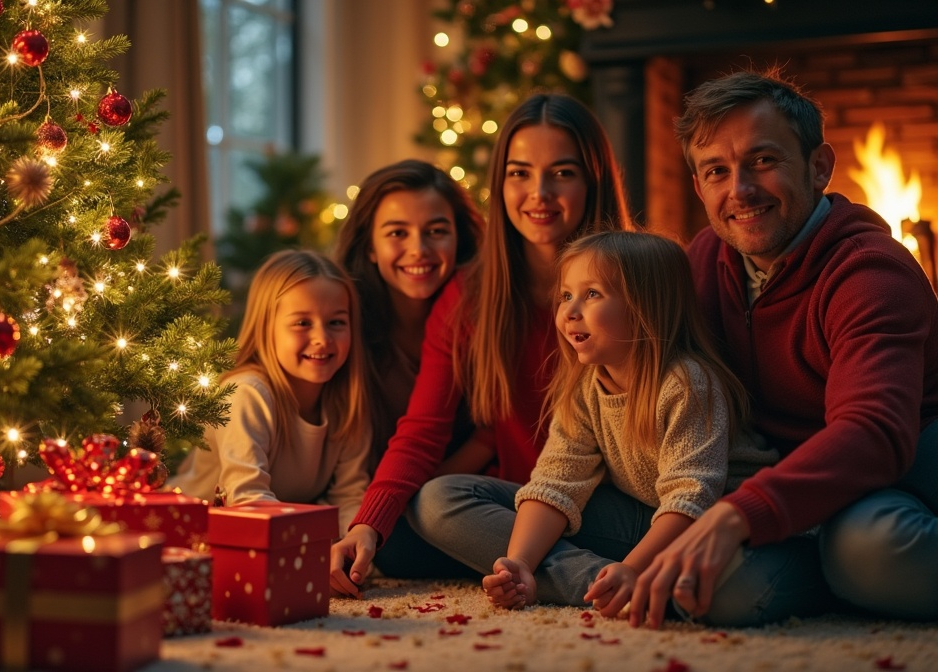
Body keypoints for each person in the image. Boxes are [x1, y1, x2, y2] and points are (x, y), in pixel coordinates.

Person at [627, 69, 938, 628]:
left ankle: (845, 571)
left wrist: (733, 518)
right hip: (780, 486)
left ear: (818, 167)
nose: (739, 190)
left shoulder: (870, 271)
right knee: (706, 585)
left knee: (867, 549)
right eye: (717, 171)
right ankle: (829, 572)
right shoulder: (703, 262)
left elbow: (874, 434)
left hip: (897, 475)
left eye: (763, 161)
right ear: (698, 187)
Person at [329, 92, 633, 598]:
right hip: (517, 503)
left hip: (611, 503)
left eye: (562, 173)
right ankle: (584, 575)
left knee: (435, 512)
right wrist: (366, 525)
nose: (538, 193)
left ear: (592, 180)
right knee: (421, 513)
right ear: (500, 182)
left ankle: (596, 578)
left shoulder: (637, 280)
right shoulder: (469, 294)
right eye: (519, 173)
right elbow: (423, 431)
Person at [412, 231, 777, 614]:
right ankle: (613, 586)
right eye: (566, 295)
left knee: (736, 594)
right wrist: (520, 563)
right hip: (641, 517)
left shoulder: (686, 384)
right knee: (439, 499)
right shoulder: (585, 386)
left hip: (723, 532)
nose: (569, 311)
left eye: (592, 295)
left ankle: (636, 583)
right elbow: (557, 483)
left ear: (644, 307)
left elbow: (692, 500)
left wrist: (634, 566)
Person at [334, 159, 488, 576]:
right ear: (370, 246)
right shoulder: (344, 323)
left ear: (460, 239)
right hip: (368, 493)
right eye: (397, 233)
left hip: (454, 494)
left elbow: (491, 436)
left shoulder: (483, 312)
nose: (419, 249)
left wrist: (406, 503)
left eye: (436, 231)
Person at [169, 249, 370, 536]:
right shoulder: (246, 394)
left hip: (272, 538)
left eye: (336, 322)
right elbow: (247, 499)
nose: (322, 339)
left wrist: (348, 546)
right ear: (267, 328)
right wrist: (311, 548)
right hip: (188, 536)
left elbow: (350, 498)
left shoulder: (347, 402)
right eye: (302, 323)